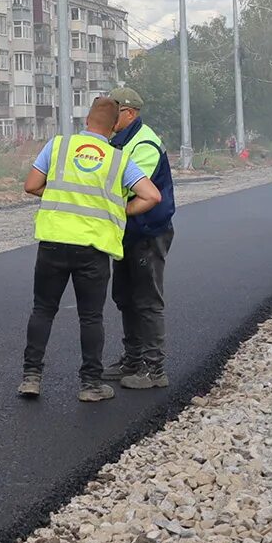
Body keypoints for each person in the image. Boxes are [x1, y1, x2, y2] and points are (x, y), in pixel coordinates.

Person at [18, 96, 162, 403]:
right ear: (112, 129)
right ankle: (91, 385)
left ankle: (31, 377)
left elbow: (31, 185)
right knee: (90, 317)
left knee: (43, 309)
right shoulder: (118, 158)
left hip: (53, 242)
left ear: (86, 122)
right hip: (92, 249)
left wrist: (60, 194)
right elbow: (152, 196)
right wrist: (121, 208)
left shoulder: (58, 146)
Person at [106, 85, 175, 389]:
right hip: (126, 231)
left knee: (147, 300)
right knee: (125, 296)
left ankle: (154, 369)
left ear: (129, 113)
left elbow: (134, 187)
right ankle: (132, 359)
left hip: (147, 232)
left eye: (113, 110)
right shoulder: (119, 140)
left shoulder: (144, 143)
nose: (107, 115)